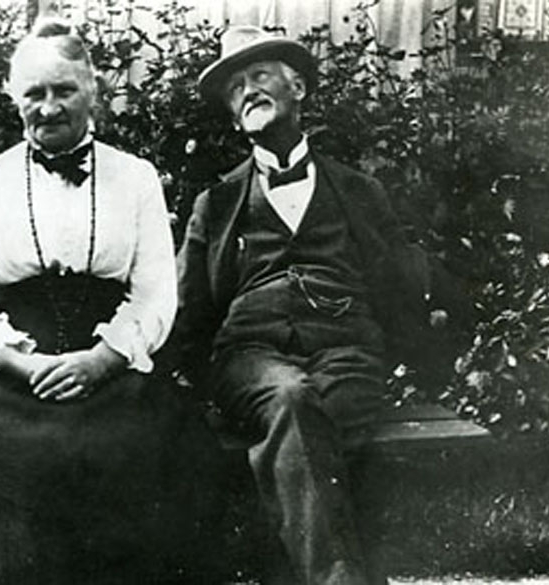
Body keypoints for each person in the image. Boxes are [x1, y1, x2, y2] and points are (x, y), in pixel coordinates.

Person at [0, 17, 222, 585]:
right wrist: (19, 361)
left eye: (64, 90)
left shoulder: (136, 177)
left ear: (92, 92)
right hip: (12, 373)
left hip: (110, 369)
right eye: (34, 93)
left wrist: (102, 359)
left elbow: (155, 291)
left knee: (141, 453)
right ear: (14, 97)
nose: (49, 107)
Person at [175, 25, 463, 585]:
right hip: (251, 360)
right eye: (235, 88)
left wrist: (418, 353)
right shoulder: (217, 202)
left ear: (298, 88)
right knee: (291, 400)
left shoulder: (359, 191)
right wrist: (192, 383)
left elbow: (397, 286)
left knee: (303, 422)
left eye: (260, 75)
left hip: (347, 353)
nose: (248, 91)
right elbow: (190, 306)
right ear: (234, 117)